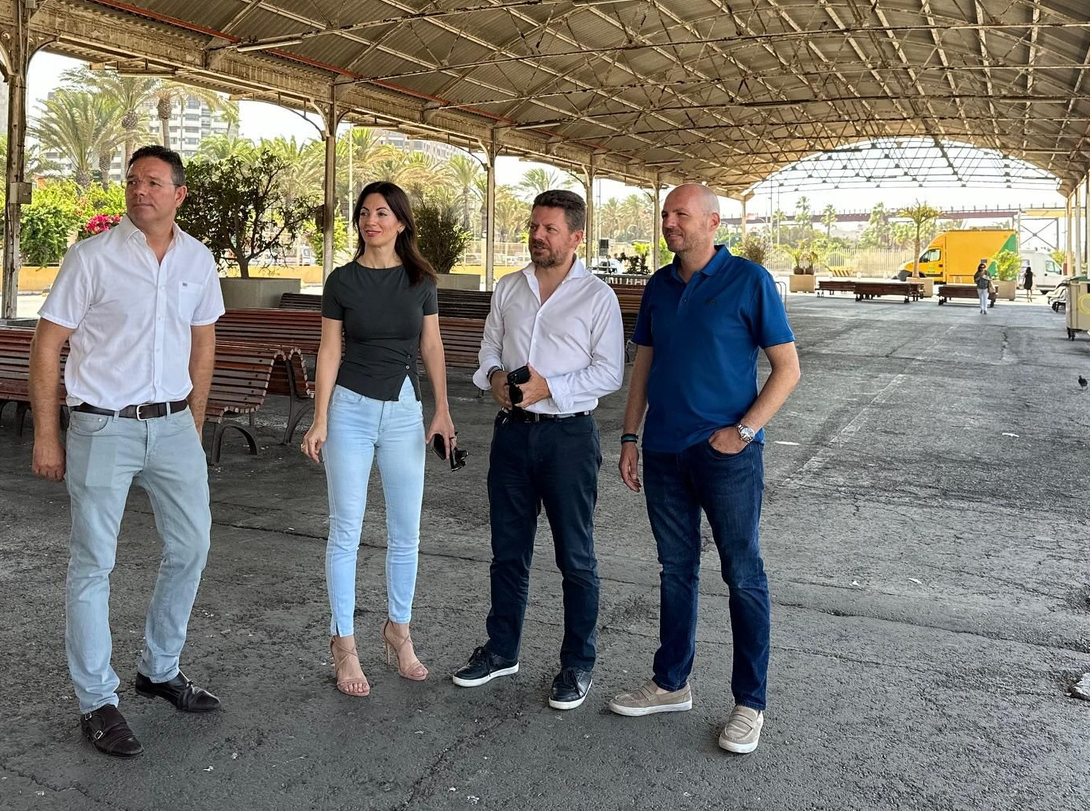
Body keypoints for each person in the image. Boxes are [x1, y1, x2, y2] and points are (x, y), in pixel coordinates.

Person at [28, 145, 224, 760]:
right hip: (102, 428)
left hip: (172, 428)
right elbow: (46, 345)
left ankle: (159, 669)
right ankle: (97, 700)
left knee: (191, 546)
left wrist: (193, 423)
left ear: (179, 194)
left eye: (155, 183)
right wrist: (46, 433)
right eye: (133, 181)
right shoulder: (92, 258)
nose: (140, 191)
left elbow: (204, 342)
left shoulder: (197, 259)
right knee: (94, 562)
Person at [609, 184, 800, 756]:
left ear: (712, 223)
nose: (669, 222)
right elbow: (644, 363)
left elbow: (787, 369)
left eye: (680, 214)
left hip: (727, 458)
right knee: (676, 569)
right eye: (665, 213)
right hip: (665, 452)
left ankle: (750, 703)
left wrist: (742, 432)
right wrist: (629, 436)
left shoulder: (749, 281)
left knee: (742, 573)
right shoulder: (659, 286)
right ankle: (671, 682)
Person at [454, 191, 625, 710]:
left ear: (576, 237)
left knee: (575, 556)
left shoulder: (597, 298)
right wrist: (497, 378)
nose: (537, 236)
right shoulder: (509, 288)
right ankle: (502, 649)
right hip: (512, 434)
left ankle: (578, 663)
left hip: (568, 437)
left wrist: (549, 387)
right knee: (507, 552)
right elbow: (487, 350)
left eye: (549, 229)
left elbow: (610, 371)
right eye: (533, 226)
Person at [301, 181, 457, 697]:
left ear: (402, 222)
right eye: (365, 213)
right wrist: (319, 418)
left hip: (405, 412)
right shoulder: (341, 281)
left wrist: (442, 412)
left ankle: (399, 632)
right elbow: (328, 351)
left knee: (405, 531)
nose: (372, 221)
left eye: (383, 213)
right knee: (345, 529)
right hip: (349, 409)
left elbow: (431, 346)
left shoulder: (421, 281)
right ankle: (344, 644)